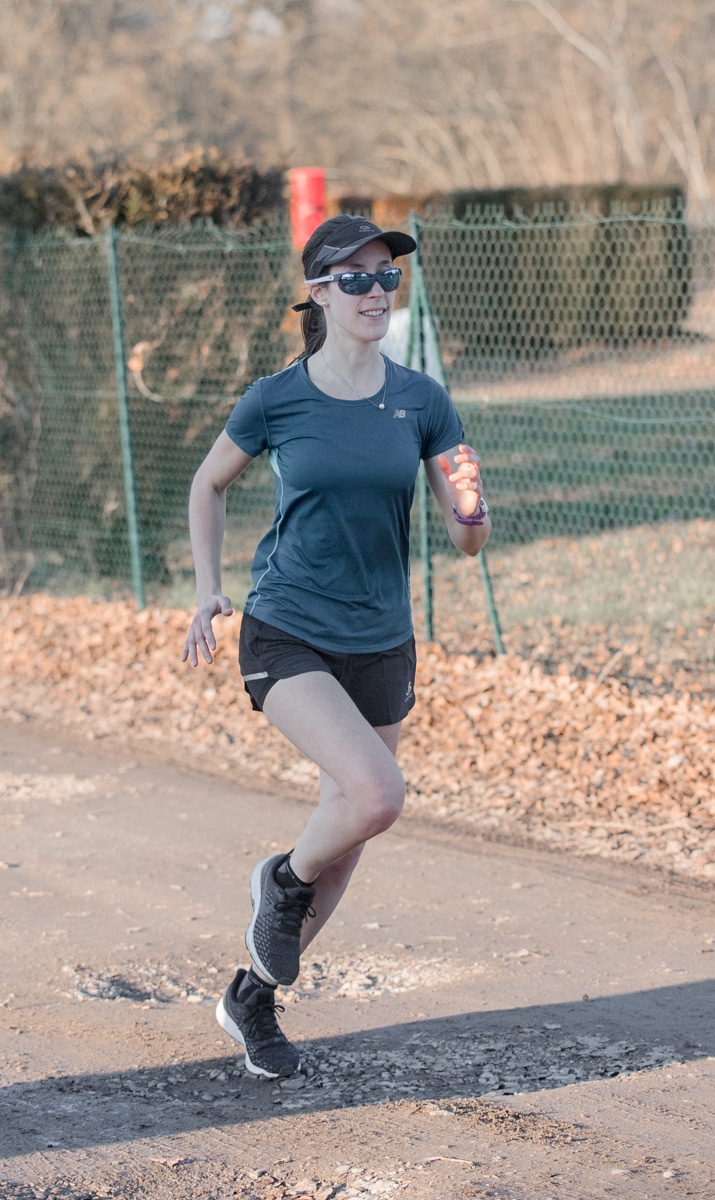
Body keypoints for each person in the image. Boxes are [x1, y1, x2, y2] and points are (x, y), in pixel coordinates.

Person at [180, 215, 488, 1078]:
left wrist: (471, 511)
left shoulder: (422, 399)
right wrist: (208, 586)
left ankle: (251, 997)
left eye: (386, 277)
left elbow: (468, 533)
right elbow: (208, 484)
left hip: (382, 639)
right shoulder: (277, 398)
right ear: (318, 293)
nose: (374, 293)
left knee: (348, 835)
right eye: (353, 279)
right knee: (377, 795)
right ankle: (278, 881)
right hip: (288, 626)